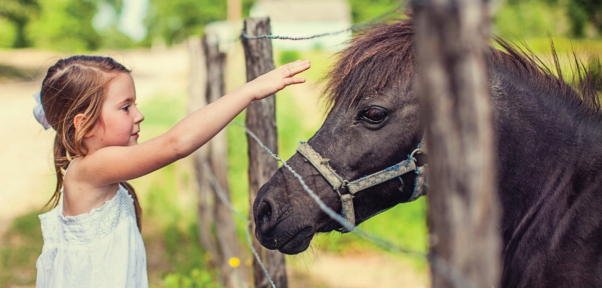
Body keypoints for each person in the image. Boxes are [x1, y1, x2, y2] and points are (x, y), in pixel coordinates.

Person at [33, 55, 310, 288]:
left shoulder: (94, 168)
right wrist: (249, 91)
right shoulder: (91, 168)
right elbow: (176, 144)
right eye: (126, 107)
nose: (139, 114)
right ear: (86, 123)